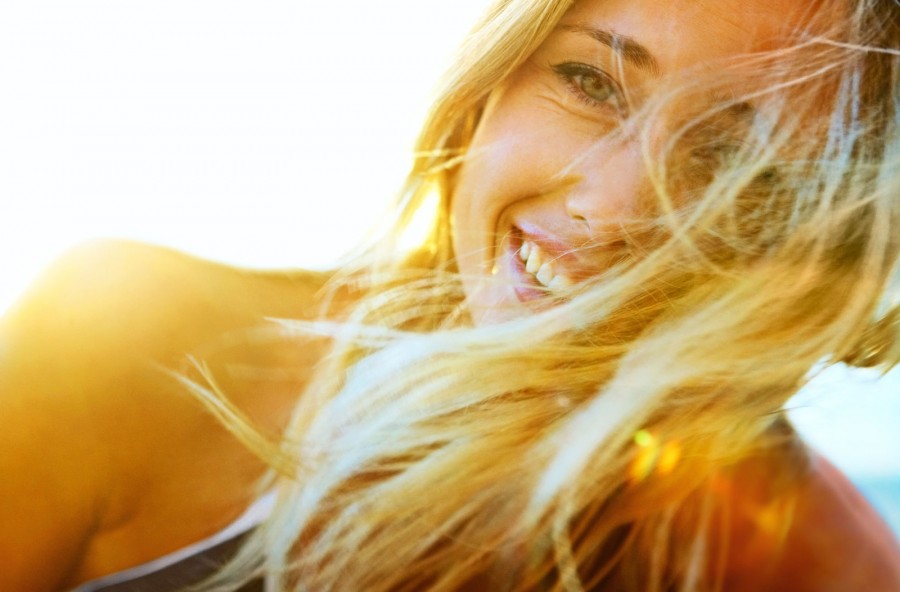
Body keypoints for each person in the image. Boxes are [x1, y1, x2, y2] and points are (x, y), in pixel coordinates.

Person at [1, 0, 899, 590]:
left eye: (736, 163)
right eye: (590, 83)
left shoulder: (785, 548)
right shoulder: (127, 335)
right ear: (489, 84)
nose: (611, 204)